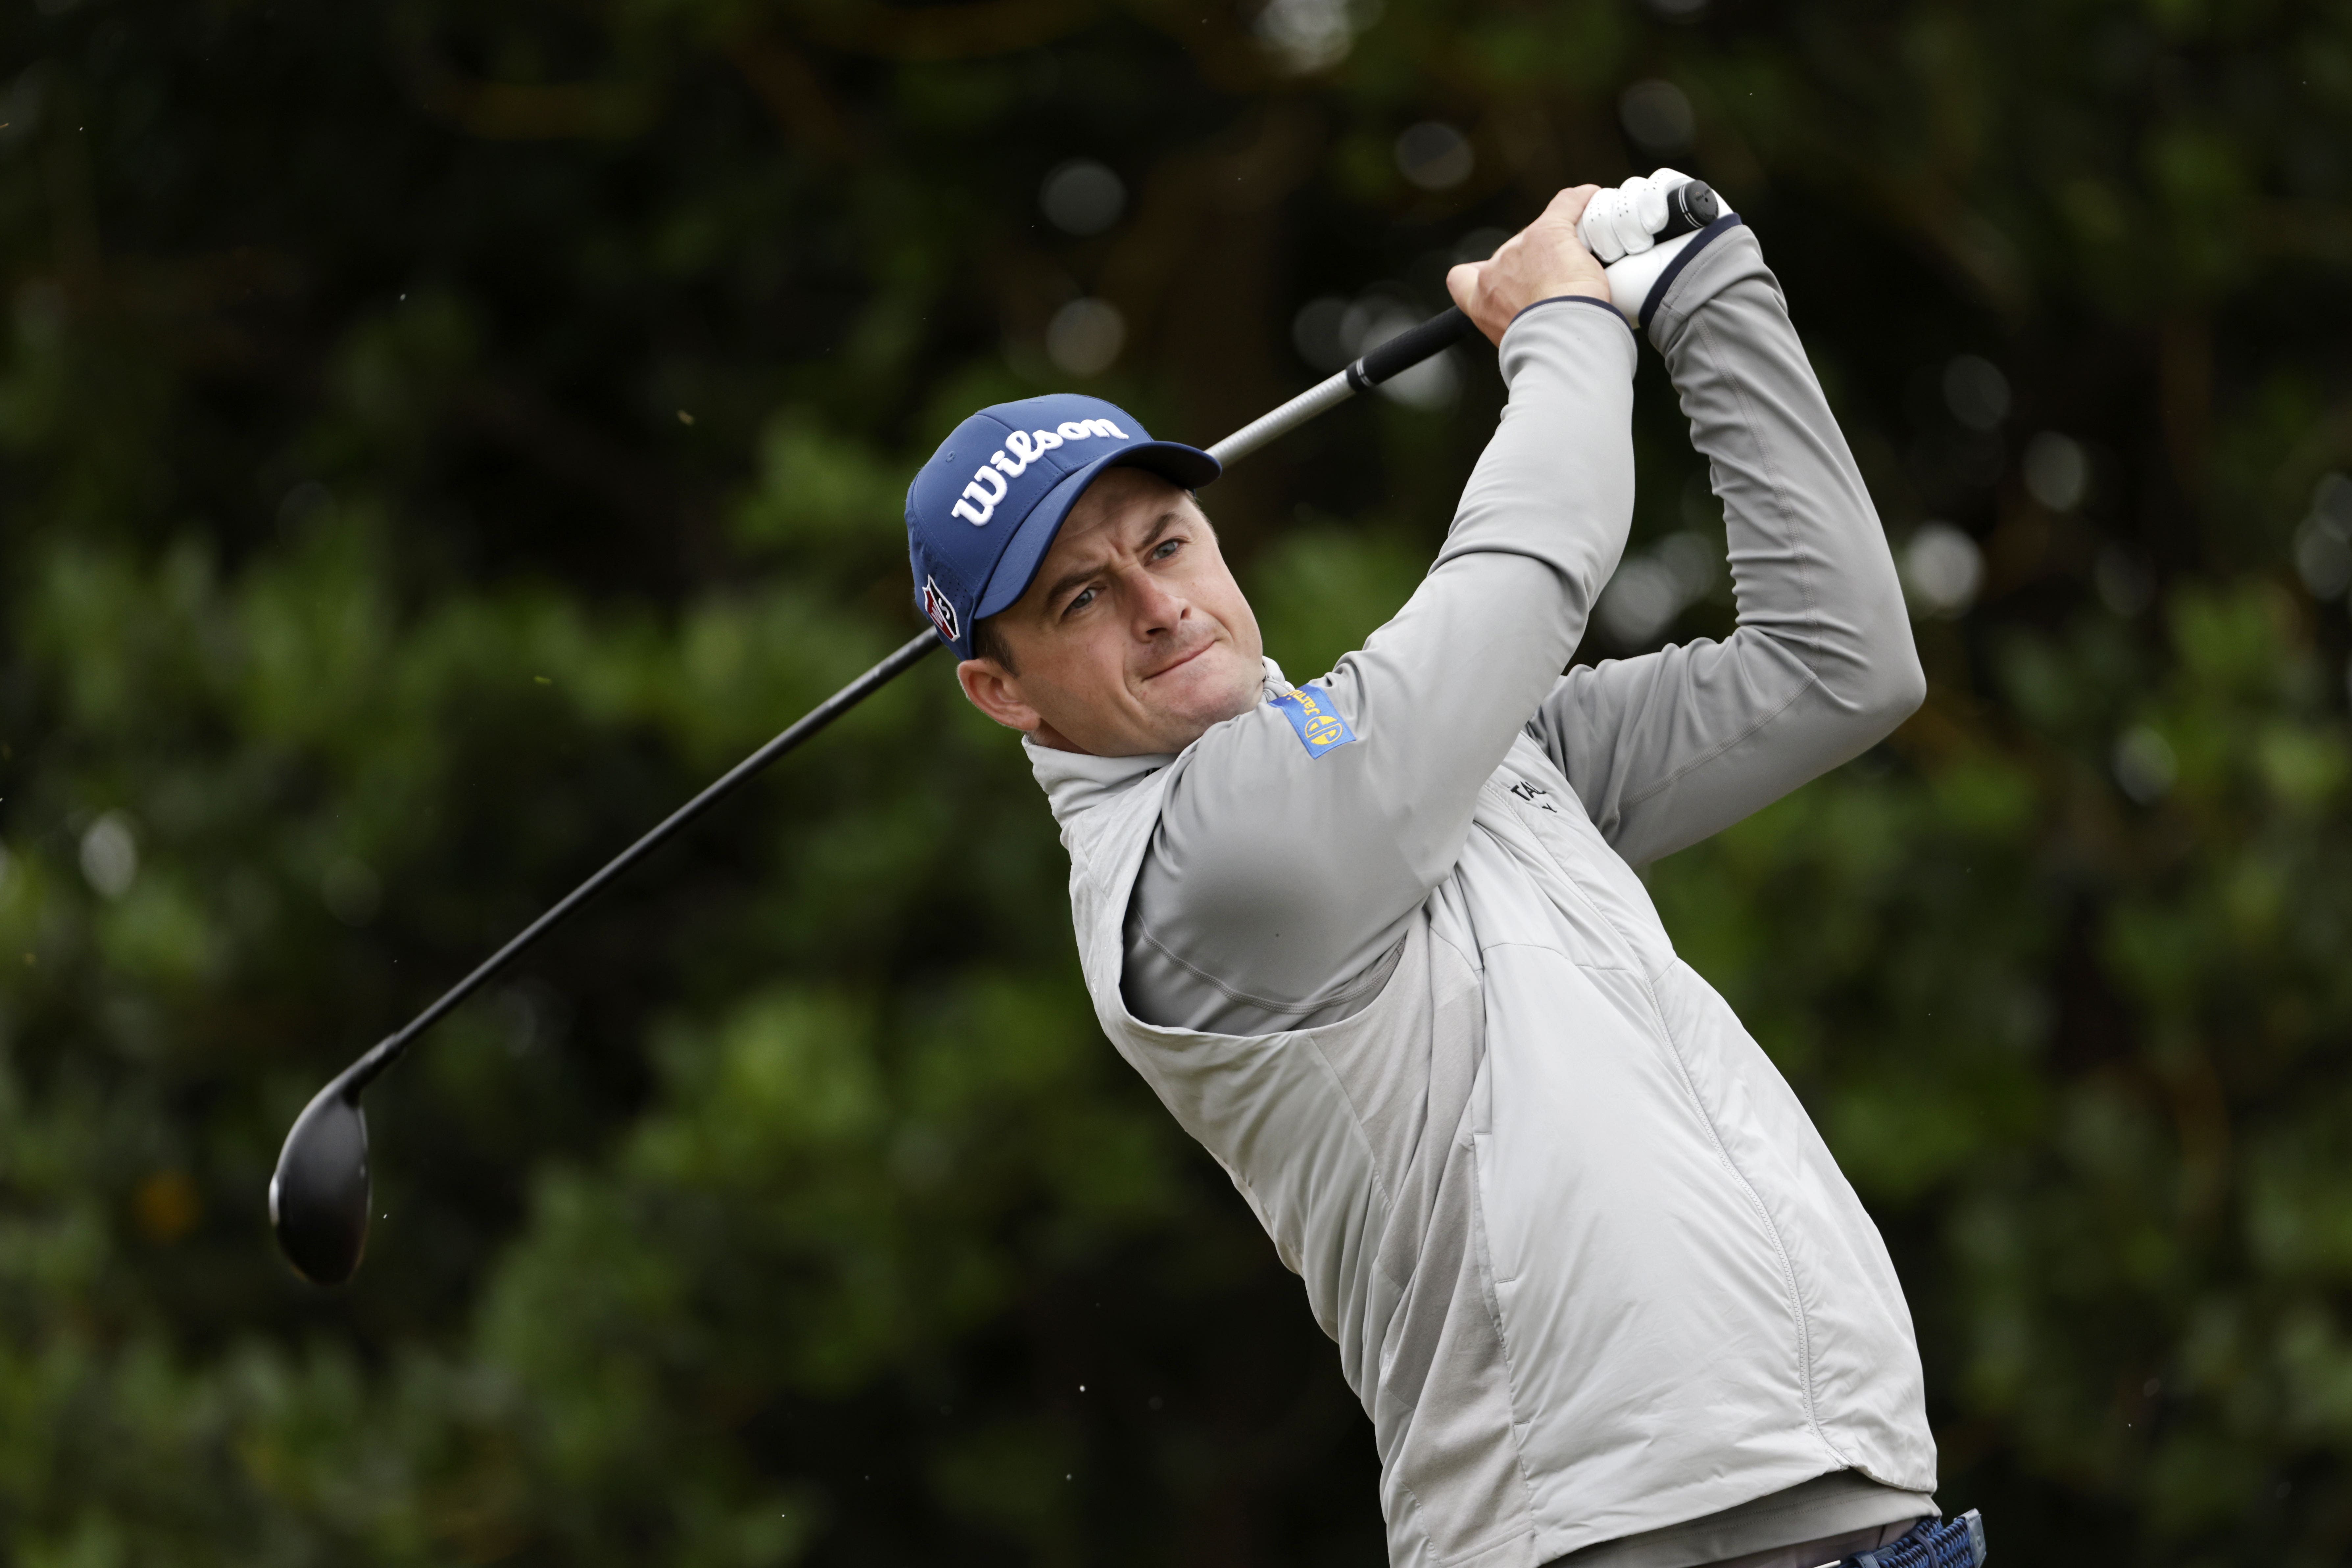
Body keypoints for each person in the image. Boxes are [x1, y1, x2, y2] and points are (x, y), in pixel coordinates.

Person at [902, 176, 1978, 1568]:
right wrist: (1564, 327)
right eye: (1081, 598)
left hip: (1874, 1517)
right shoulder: (1204, 871)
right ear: (1004, 694)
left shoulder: (1465, 761)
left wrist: (1712, 295)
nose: (1161, 605)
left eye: (1165, 542)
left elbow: (1840, 666)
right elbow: (1538, 561)